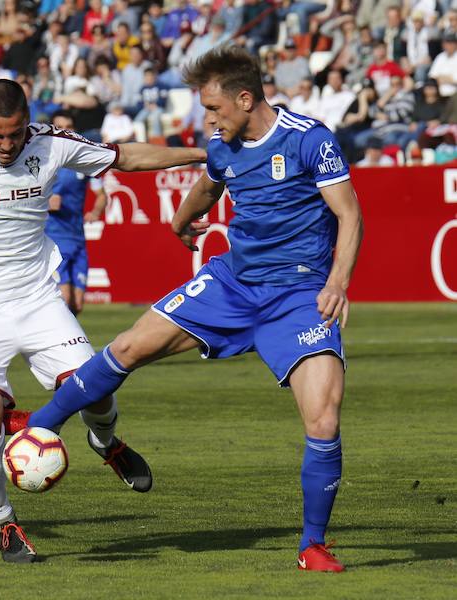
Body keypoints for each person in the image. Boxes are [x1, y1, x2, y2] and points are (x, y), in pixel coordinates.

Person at [23, 46, 363, 573]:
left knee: (323, 418)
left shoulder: (308, 139)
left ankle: (312, 544)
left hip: (299, 296)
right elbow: (208, 185)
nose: (207, 120)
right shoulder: (223, 145)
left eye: (213, 109)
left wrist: (338, 281)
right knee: (130, 345)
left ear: (245, 99)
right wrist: (181, 222)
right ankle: (41, 427)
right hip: (233, 284)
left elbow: (349, 213)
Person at [0, 79, 205, 563]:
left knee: (96, 386)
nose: (8, 145)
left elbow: (125, 157)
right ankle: (5, 523)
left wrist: (202, 153)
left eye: (15, 134)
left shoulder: (50, 143)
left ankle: (107, 443)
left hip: (37, 299)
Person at [46, 111, 108, 315]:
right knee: (64, 299)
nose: (65, 131)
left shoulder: (84, 162)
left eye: (69, 126)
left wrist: (96, 211)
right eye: (59, 127)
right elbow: (20, 195)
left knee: (77, 305)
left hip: (77, 237)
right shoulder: (43, 162)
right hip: (53, 239)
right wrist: (45, 202)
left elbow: (101, 195)